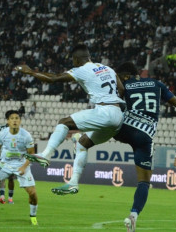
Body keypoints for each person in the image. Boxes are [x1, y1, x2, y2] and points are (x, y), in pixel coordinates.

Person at [111, 62, 176, 232]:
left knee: (107, 123)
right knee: (144, 182)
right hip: (145, 135)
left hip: (125, 127)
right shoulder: (157, 84)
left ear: (125, 76)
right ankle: (133, 216)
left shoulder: (124, 84)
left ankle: (82, 137)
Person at [16, 44, 125, 195]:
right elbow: (122, 89)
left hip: (104, 111)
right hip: (118, 115)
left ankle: (45, 155)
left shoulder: (81, 70)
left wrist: (30, 72)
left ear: (76, 59)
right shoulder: (107, 68)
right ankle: (73, 183)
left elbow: (53, 78)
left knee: (64, 122)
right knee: (82, 144)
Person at [0, 110, 38, 225]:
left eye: (17, 118)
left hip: (21, 164)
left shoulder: (26, 135)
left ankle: (33, 216)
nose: (14, 120)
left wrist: (23, 167)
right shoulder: (2, 134)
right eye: (12, 118)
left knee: (32, 193)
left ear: (20, 121)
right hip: (5, 163)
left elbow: (31, 154)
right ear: (8, 121)